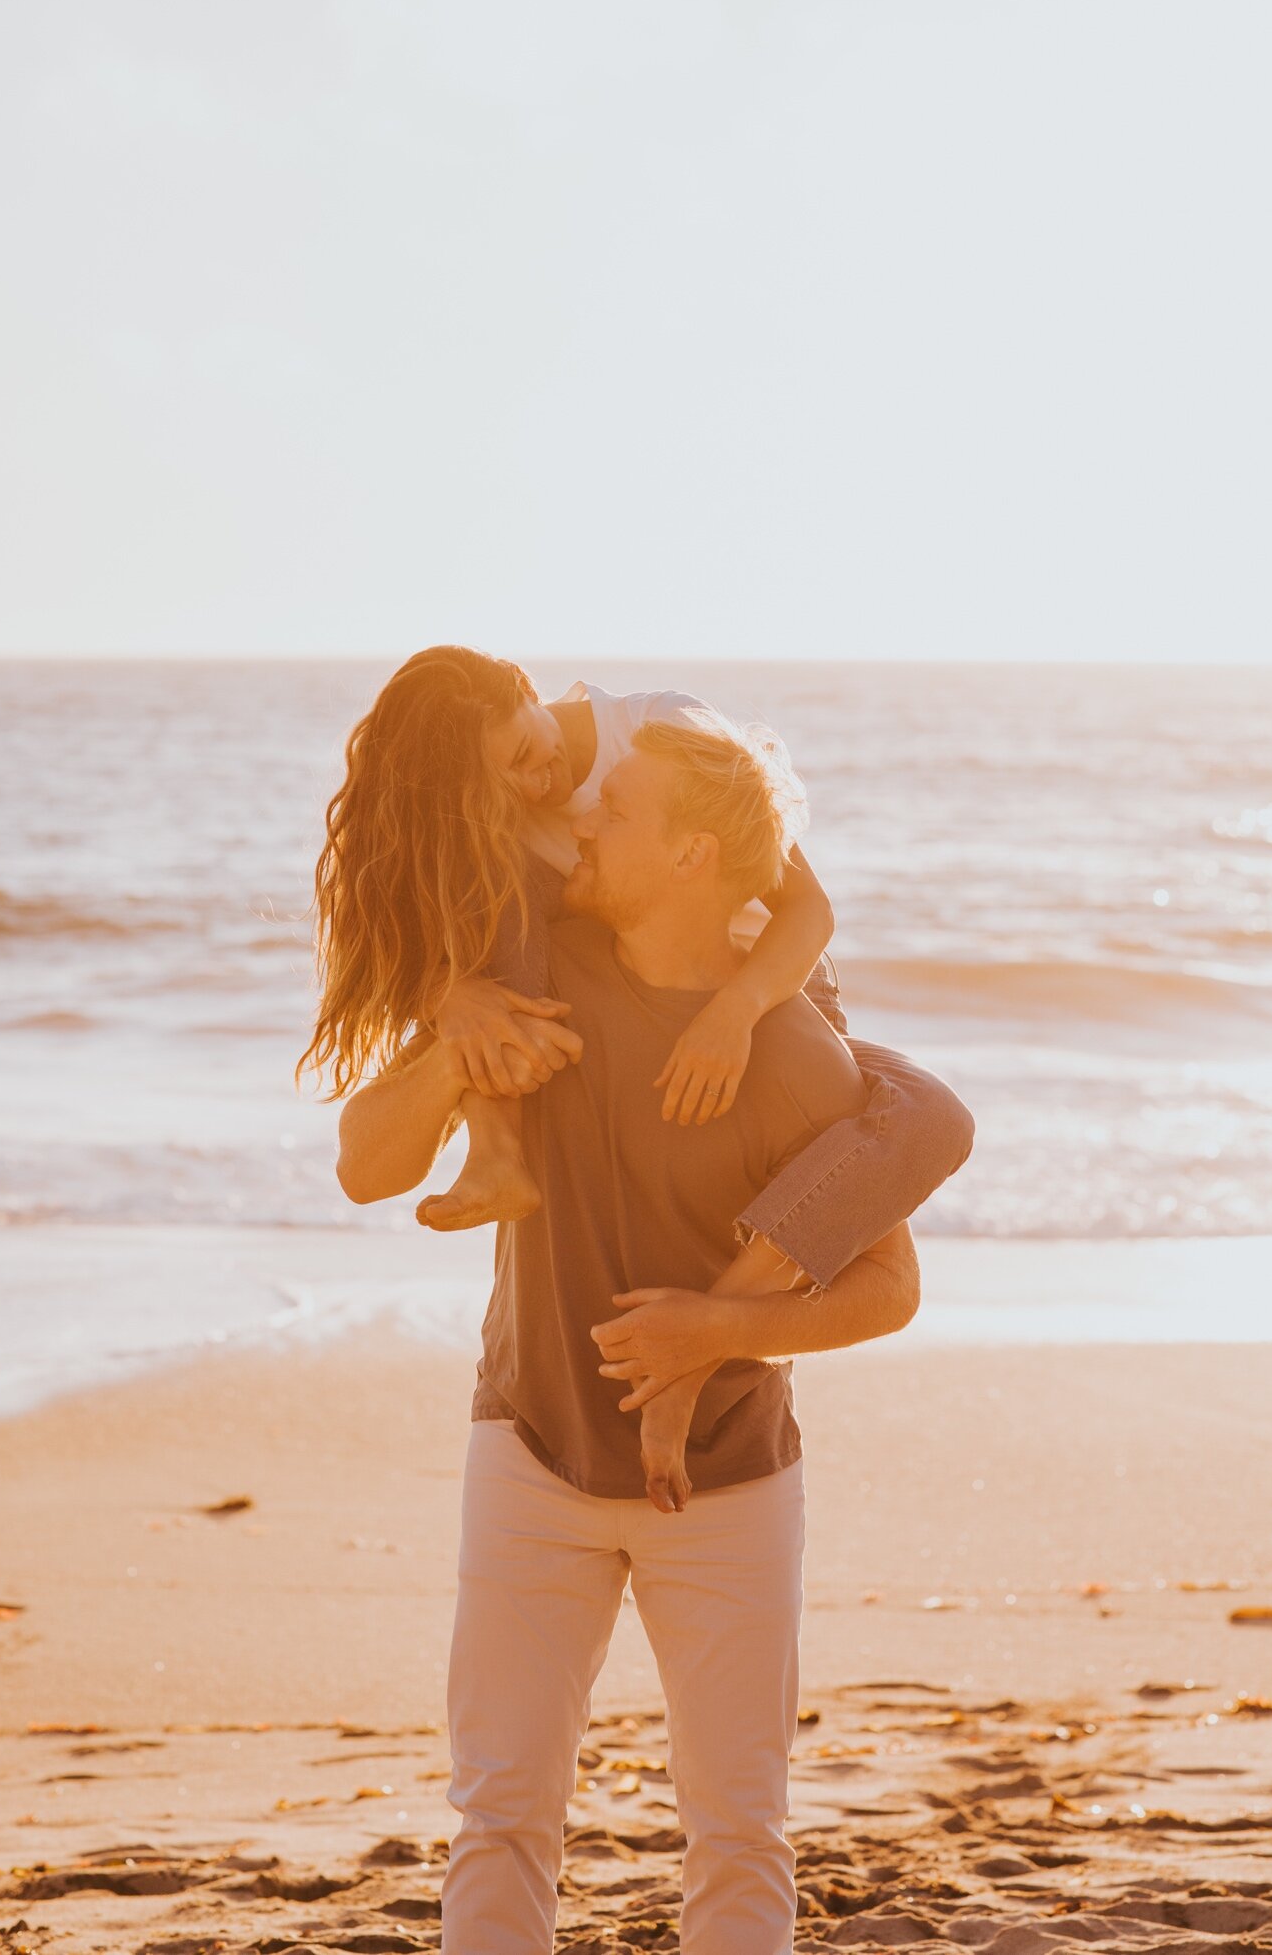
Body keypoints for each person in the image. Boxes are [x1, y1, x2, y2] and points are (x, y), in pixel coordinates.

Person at [335, 714, 955, 1955]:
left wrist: (717, 1332)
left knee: (738, 1832)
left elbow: (890, 1288)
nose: (582, 823)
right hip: (530, 1453)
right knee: (501, 1816)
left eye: (618, 810)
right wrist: (452, 1041)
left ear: (690, 859)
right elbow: (366, 1166)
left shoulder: (788, 1056)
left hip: (727, 1486)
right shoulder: (533, 978)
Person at [303, 645, 974, 1499]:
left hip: (767, 992)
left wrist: (733, 1018)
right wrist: (450, 1000)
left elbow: (806, 909)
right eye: (501, 782)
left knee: (930, 1116)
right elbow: (471, 949)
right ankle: (496, 1153)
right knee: (489, 877)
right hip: (610, 1010)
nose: (538, 784)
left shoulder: (656, 732)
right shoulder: (498, 821)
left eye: (526, 750)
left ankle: (696, 1351)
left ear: (530, 690)